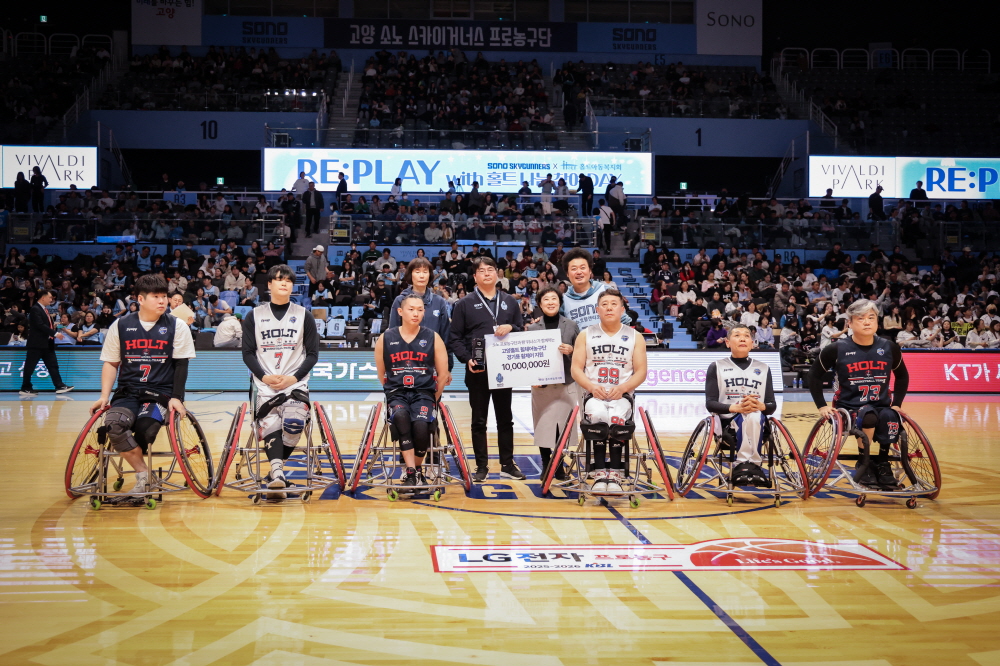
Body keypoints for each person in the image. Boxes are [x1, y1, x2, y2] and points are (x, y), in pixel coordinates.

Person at [88, 274, 195, 504]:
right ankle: (144, 474)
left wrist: (176, 397)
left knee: (145, 430)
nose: (162, 301)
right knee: (114, 424)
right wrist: (104, 396)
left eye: (164, 296)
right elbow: (111, 363)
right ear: (140, 299)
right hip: (128, 392)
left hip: (160, 394)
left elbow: (181, 365)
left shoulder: (177, 326)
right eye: (156, 296)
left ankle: (141, 475)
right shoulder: (121, 325)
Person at [807, 299, 909, 490]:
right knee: (868, 416)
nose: (867, 322)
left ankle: (883, 463)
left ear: (877, 321)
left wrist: (897, 403)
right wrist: (821, 405)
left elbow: (902, 376)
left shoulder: (889, 347)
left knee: (890, 416)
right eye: (861, 318)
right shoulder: (836, 348)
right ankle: (864, 462)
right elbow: (814, 375)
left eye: (871, 317)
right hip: (848, 408)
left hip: (881, 405)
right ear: (850, 323)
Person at [241, 265, 320, 499]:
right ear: (269, 284)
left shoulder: (304, 315)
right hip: (265, 384)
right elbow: (247, 353)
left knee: (294, 423)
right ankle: (277, 475)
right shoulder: (254, 315)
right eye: (278, 279)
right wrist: (264, 376)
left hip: (294, 383)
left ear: (292, 286)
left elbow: (313, 354)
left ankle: (275, 473)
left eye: (288, 280)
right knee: (271, 424)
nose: (283, 283)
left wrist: (293, 378)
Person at [448, 257, 525, 482]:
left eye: (491, 269)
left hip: (504, 369)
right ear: (475, 277)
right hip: (478, 369)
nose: (487, 273)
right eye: (482, 271)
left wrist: (511, 327)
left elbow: (521, 330)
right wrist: (467, 359)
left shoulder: (510, 302)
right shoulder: (463, 304)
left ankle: (507, 464)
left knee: (505, 419)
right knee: (479, 421)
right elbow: (455, 338)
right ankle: (481, 466)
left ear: (497, 273)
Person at [571, 289, 647, 493]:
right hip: (594, 394)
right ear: (597, 310)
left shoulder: (635, 336)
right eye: (604, 304)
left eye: (614, 304)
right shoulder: (585, 334)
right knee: (598, 417)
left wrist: (623, 388)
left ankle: (614, 474)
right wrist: (591, 387)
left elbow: (641, 372)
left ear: (622, 309)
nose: (609, 308)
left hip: (622, 395)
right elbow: (576, 369)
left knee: (615, 419)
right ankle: (599, 473)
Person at [374, 294, 450, 491]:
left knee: (421, 427)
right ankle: (411, 472)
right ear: (400, 312)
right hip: (397, 392)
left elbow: (443, 374)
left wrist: (433, 398)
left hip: (424, 392)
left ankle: (416, 470)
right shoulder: (386, 338)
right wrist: (392, 390)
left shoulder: (433, 337)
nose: (416, 313)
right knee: (401, 417)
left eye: (420, 310)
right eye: (411, 309)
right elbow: (382, 373)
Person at [703, 325, 777, 487]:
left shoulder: (763, 368)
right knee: (748, 415)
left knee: (754, 414)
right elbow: (710, 404)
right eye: (737, 335)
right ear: (728, 342)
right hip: (727, 424)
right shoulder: (716, 366)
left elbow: (772, 406)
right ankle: (748, 464)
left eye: (746, 336)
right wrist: (734, 408)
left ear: (752, 343)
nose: (742, 338)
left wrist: (761, 405)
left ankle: (748, 464)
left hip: (758, 422)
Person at [528, 286, 579, 480]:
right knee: (543, 426)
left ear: (560, 302)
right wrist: (531, 378)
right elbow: (528, 359)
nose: (550, 302)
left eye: (554, 299)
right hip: (541, 386)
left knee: (563, 427)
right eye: (546, 299)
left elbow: (581, 353)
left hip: (566, 383)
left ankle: (558, 465)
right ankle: (546, 464)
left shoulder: (571, 325)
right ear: (540, 304)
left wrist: (572, 350)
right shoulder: (532, 328)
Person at [388, 257, 453, 373]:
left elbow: (446, 336)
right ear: (410, 275)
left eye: (425, 272)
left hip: (432, 364)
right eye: (417, 272)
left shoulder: (439, 302)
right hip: (405, 363)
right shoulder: (400, 301)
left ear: (430, 275)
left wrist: (448, 367)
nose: (421, 276)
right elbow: (393, 335)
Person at [19, 289, 74, 396]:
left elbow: (46, 325)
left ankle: (59, 385)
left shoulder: (44, 309)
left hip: (47, 343)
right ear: (43, 298)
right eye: (49, 297)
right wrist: (55, 333)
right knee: (30, 366)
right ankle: (25, 388)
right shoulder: (35, 309)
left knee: (53, 365)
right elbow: (40, 325)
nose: (51, 299)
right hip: (36, 344)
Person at [560, 248, 629, 330]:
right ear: (567, 273)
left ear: (590, 270)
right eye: (574, 269)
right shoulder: (563, 301)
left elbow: (624, 321)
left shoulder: (606, 291)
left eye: (582, 267)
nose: (579, 272)